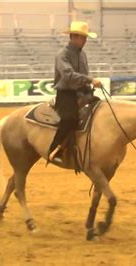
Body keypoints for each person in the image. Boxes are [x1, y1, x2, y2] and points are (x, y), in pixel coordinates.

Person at [48, 21, 102, 164]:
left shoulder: (82, 54)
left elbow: (82, 75)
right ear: (74, 37)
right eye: (83, 38)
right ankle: (55, 149)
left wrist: (88, 87)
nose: (85, 41)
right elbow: (68, 75)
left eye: (85, 38)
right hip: (66, 93)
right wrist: (90, 80)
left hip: (81, 92)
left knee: (100, 109)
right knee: (70, 118)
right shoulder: (62, 55)